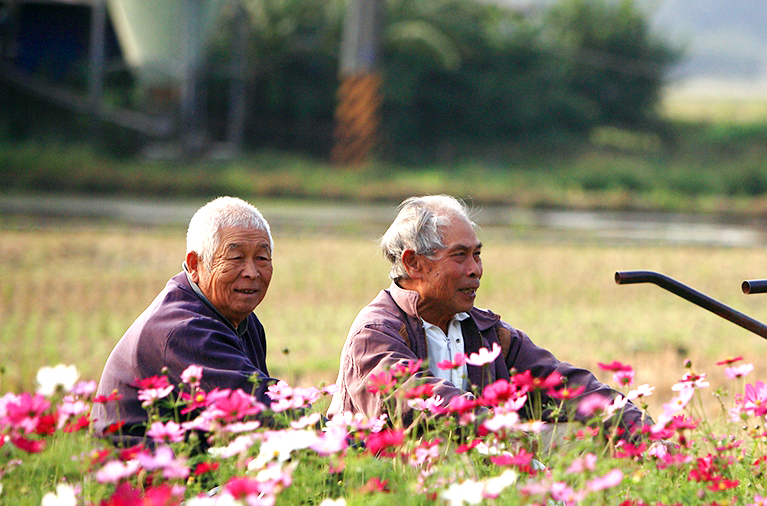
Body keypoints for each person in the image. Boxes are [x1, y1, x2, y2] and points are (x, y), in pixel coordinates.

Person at [328, 195, 649, 438]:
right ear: (413, 263)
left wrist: (638, 427)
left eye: (477, 255)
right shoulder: (376, 332)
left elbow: (564, 383)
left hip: (476, 473)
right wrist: (502, 430)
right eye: (460, 256)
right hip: (392, 493)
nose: (475, 270)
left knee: (592, 440)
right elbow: (415, 402)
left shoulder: (486, 332)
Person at [91, 196, 276, 442]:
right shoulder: (183, 330)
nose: (252, 273)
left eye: (262, 259)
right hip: (143, 473)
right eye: (236, 258)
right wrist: (338, 439)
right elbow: (260, 408)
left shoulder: (244, 321)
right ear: (195, 265)